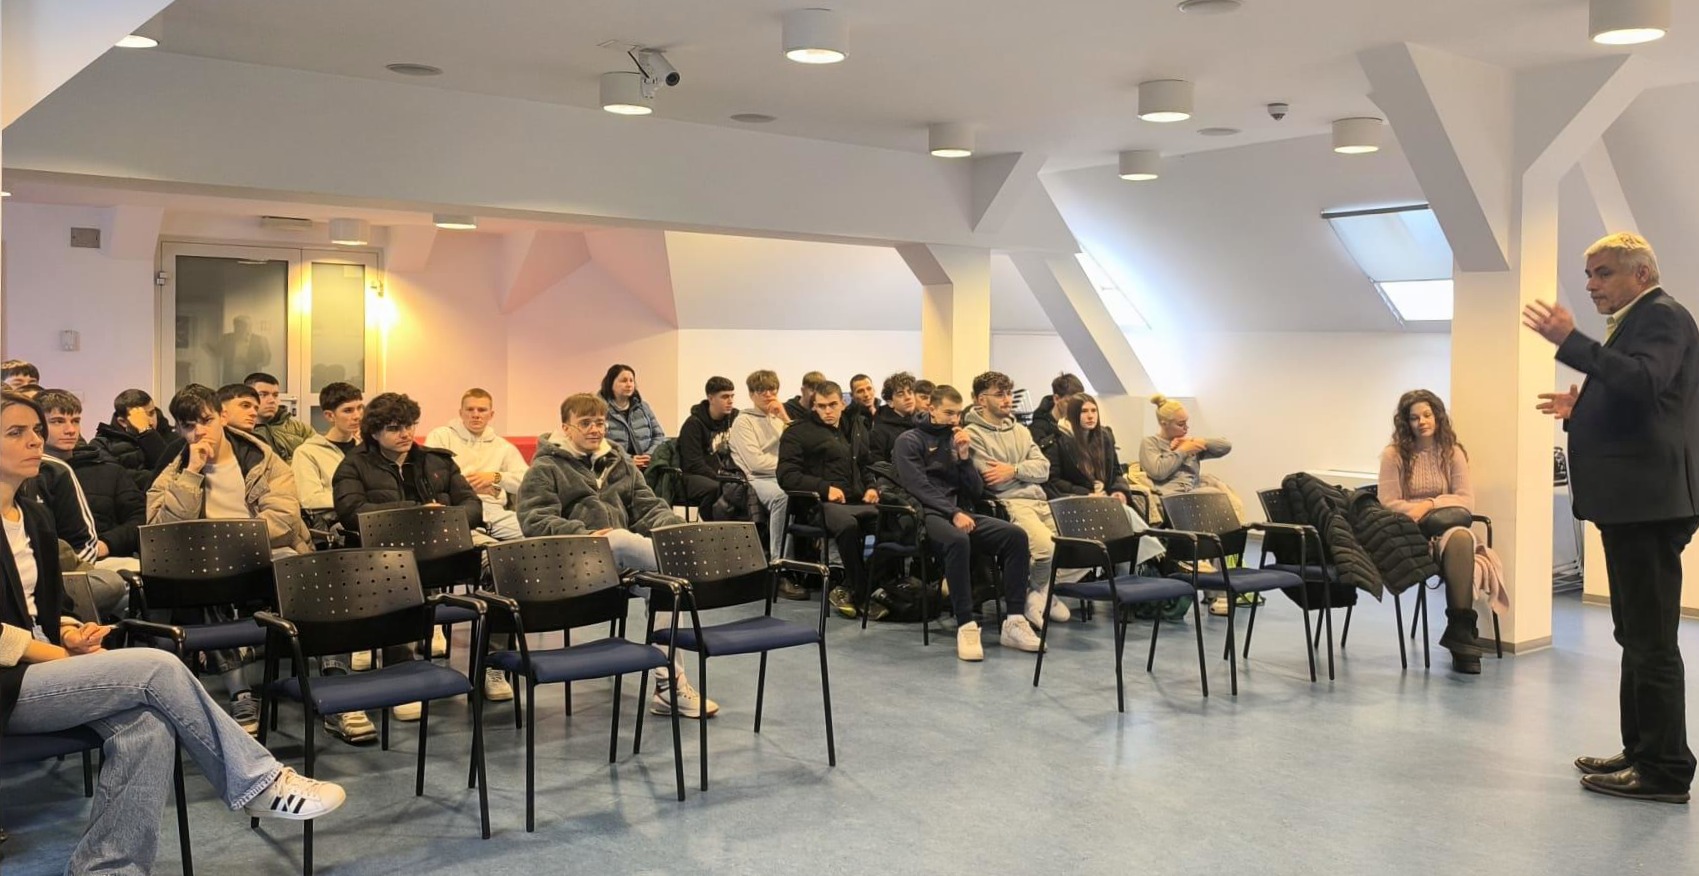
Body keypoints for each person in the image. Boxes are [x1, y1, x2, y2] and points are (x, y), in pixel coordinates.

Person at [0, 390, 346, 874]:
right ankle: (258, 782)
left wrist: (70, 631)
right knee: (157, 667)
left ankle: (109, 869)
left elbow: (42, 605)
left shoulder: (33, 517)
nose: (36, 440)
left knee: (149, 727)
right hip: (10, 681)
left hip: (42, 670)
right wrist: (56, 654)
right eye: (16, 432)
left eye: (37, 430)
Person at [1525, 231, 1699, 804]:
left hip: (1649, 505)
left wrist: (1569, 340)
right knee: (1635, 635)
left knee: (1651, 641)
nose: (1591, 284)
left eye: (1603, 273)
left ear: (1640, 273)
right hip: (1632, 504)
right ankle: (1642, 751)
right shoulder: (1636, 322)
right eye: (1589, 274)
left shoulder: (1663, 316)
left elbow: (1646, 383)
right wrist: (1584, 409)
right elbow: (1643, 401)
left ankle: (1665, 769)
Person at [517, 393, 716, 719]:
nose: (595, 429)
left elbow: (649, 508)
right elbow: (534, 520)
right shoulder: (545, 467)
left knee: (670, 587)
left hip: (621, 567)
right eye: (585, 423)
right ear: (566, 428)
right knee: (621, 540)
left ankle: (669, 686)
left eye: (600, 422)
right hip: (574, 562)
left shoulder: (619, 461)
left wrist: (674, 528)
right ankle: (692, 562)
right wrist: (585, 535)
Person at [149, 385, 314, 732]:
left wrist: (235, 544)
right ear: (179, 429)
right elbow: (161, 531)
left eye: (206, 421)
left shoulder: (263, 460)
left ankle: (330, 677)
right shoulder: (174, 472)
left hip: (267, 550)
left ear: (222, 417)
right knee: (202, 581)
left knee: (307, 570)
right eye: (189, 426)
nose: (199, 432)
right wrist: (192, 474)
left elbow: (283, 519)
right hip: (210, 564)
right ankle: (240, 692)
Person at [332, 392, 492, 711]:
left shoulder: (437, 460)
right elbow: (351, 512)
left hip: (444, 545)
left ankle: (492, 665)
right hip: (387, 550)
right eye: (394, 428)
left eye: (409, 425)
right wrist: (417, 513)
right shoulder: (353, 465)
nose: (405, 433)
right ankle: (401, 672)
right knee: (395, 573)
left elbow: (473, 505)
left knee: (499, 563)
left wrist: (444, 517)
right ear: (374, 432)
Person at [892, 385, 1036, 661]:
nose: (954, 419)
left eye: (958, 414)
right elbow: (917, 486)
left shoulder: (956, 439)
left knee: (1015, 536)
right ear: (931, 409)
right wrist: (952, 513)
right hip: (925, 514)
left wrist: (965, 458)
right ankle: (966, 624)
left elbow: (975, 491)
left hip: (960, 511)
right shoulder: (909, 440)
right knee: (958, 540)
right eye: (948, 413)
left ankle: (1015, 620)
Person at [1376, 390, 1484, 674]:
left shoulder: (1452, 452)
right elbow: (1388, 503)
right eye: (1414, 418)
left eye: (1427, 415)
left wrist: (1429, 505)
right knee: (1460, 539)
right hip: (1409, 532)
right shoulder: (1393, 455)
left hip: (1446, 527)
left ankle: (1460, 629)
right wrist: (1422, 511)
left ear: (1437, 417)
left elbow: (1466, 501)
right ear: (1406, 423)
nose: (1422, 422)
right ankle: (1463, 640)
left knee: (1461, 537)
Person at [963, 371, 1071, 630]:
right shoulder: (972, 434)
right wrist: (1023, 471)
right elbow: (993, 479)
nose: (1007, 399)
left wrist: (1013, 470)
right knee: (1045, 550)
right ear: (981, 399)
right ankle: (1038, 593)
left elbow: (1043, 469)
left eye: (1009, 393)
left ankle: (1038, 593)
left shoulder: (1021, 430)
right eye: (999, 394)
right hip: (1011, 503)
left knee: (1077, 547)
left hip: (1039, 500)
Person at [36, 389, 144, 617]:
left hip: (97, 556)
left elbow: (139, 518)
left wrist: (107, 544)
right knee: (118, 586)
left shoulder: (108, 470)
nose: (70, 430)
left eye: (75, 421)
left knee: (154, 576)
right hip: (51, 567)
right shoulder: (31, 472)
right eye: (57, 421)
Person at [778, 380, 879, 619]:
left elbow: (864, 464)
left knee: (898, 523)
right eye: (821, 406)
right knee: (848, 526)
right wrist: (825, 489)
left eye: (832, 405)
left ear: (843, 403)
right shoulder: (797, 432)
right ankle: (861, 596)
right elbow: (786, 476)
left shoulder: (852, 428)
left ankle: (851, 586)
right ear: (814, 406)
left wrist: (872, 486)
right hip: (818, 505)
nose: (827, 411)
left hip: (857, 501)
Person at [1142, 394, 1242, 614]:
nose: (1185, 427)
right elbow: (1157, 471)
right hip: (1170, 500)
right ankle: (1205, 579)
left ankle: (1218, 592)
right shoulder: (1150, 443)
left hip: (1194, 497)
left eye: (1186, 423)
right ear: (1164, 423)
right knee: (1211, 502)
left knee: (1218, 521)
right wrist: (1182, 452)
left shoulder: (1190, 442)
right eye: (1180, 424)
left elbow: (1225, 446)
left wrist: (1198, 443)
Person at [1045, 393, 1163, 566]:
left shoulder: (1104, 437)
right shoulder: (1058, 441)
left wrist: (1119, 491)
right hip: (1077, 504)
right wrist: (1086, 494)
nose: (1090, 416)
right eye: (1084, 411)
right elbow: (1053, 481)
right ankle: (1157, 560)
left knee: (1121, 515)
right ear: (1073, 414)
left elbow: (1116, 472)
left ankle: (1135, 567)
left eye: (1094, 411)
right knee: (1124, 515)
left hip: (1106, 499)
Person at [728, 370, 804, 599]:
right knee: (783, 498)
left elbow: (800, 446)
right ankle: (780, 567)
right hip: (758, 479)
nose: (769, 394)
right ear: (752, 394)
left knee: (813, 494)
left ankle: (814, 565)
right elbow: (756, 463)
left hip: (783, 475)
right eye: (762, 390)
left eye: (772, 389)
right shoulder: (743, 421)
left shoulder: (778, 418)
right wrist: (790, 467)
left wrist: (785, 418)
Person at [425, 388, 529, 541]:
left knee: (536, 531)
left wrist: (496, 477)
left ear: (491, 415)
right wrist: (468, 487)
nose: (475, 415)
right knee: (482, 546)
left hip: (493, 511)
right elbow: (431, 478)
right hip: (456, 510)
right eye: (470, 409)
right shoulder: (441, 437)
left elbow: (528, 482)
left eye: (482, 410)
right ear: (461, 413)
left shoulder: (503, 447)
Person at [292, 382, 363, 533]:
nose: (357, 416)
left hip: (369, 517)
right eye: (348, 410)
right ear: (330, 416)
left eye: (359, 408)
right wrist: (355, 499)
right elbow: (309, 499)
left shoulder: (366, 449)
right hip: (334, 524)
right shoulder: (307, 452)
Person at [676, 376, 740, 518]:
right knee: (716, 488)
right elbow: (693, 464)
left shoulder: (736, 418)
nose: (730, 401)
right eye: (725, 397)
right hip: (693, 476)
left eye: (732, 396)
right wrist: (722, 478)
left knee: (744, 487)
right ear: (711, 398)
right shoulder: (693, 424)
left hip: (726, 473)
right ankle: (711, 526)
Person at [92, 388, 174, 492]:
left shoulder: (171, 437)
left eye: (151, 413)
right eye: (139, 417)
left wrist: (147, 433)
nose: (150, 421)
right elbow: (115, 479)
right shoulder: (103, 444)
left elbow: (172, 472)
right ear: (122, 422)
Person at [599, 364, 666, 470]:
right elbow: (598, 443)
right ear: (610, 383)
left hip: (647, 464)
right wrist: (628, 459)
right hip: (616, 466)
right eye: (624, 381)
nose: (629, 384)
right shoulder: (599, 409)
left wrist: (649, 455)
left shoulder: (643, 407)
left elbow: (659, 435)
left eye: (631, 380)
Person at [245, 372, 315, 463]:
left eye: (275, 395)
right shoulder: (240, 431)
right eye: (263, 394)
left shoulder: (300, 428)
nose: (272, 400)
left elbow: (319, 457)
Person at [868, 371, 918, 464]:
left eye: (910, 392)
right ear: (890, 402)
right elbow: (877, 465)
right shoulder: (879, 432)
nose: (908, 397)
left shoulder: (922, 423)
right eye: (900, 394)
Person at [1029, 372, 1084, 449]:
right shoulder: (1038, 426)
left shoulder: (1080, 421)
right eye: (1069, 402)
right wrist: (1061, 434)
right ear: (1056, 399)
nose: (1075, 407)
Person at [212, 315, 270, 385]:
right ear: (235, 326)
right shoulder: (227, 338)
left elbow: (266, 361)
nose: (244, 329)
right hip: (230, 379)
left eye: (247, 326)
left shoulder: (259, 340)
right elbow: (217, 353)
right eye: (239, 326)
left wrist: (248, 361)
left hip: (250, 378)